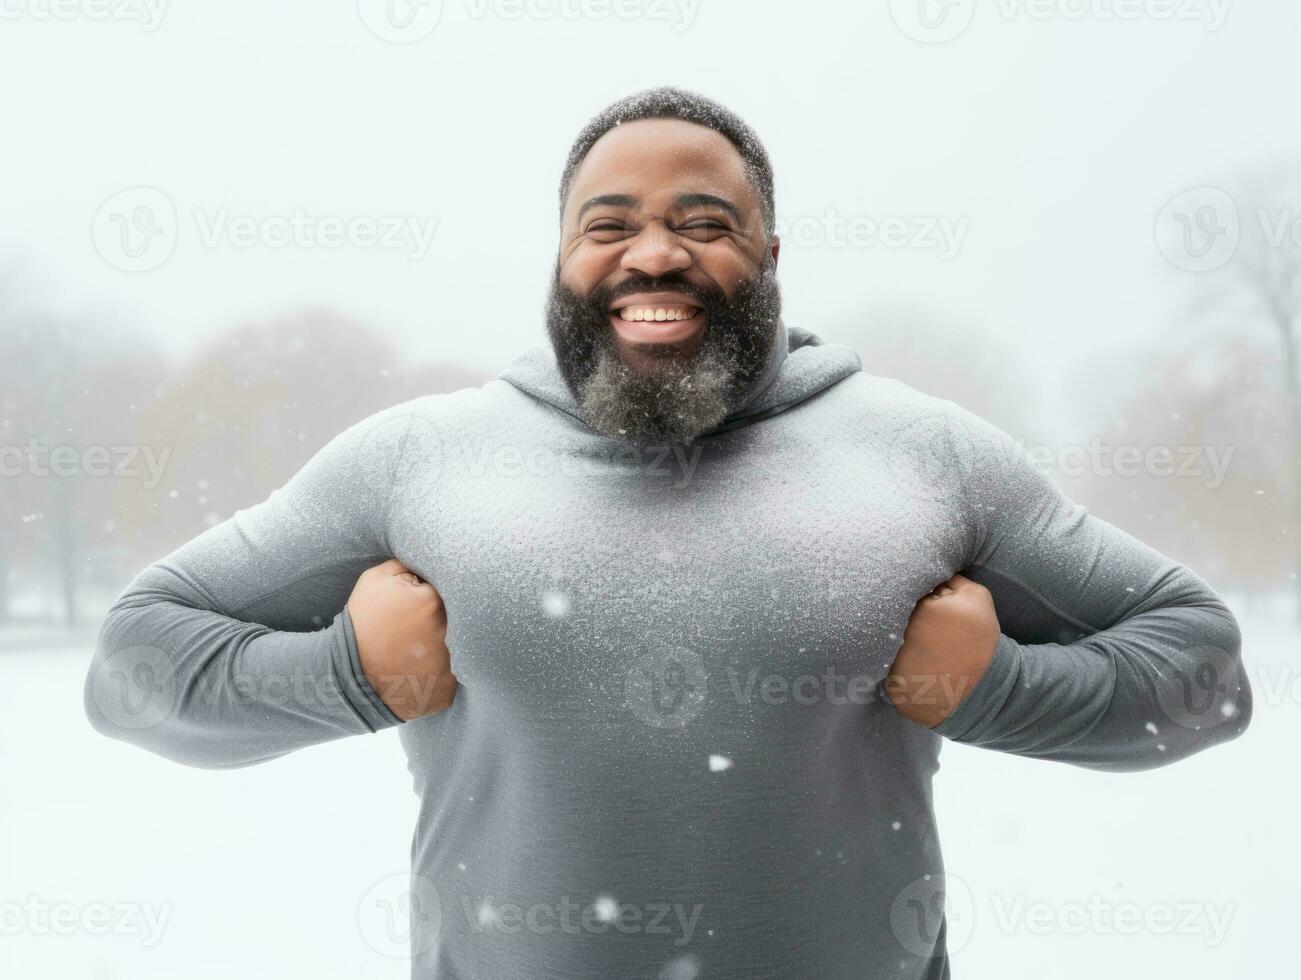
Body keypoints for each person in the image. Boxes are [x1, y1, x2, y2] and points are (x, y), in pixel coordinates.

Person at [84, 86, 1252, 979]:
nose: (653, 253)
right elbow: (132, 667)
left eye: (705, 220)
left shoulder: (925, 455)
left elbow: (1204, 669)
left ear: (771, 258)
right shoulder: (416, 460)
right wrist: (345, 673)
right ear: (562, 257)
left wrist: (995, 688)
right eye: (610, 224)